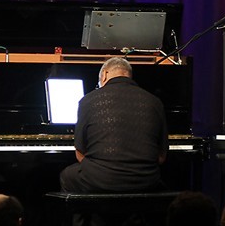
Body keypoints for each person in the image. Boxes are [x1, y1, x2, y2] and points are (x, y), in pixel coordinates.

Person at [60, 57, 168, 193]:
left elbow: (80, 153)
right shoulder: (155, 102)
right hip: (146, 180)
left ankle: (95, 208)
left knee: (67, 176)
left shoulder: (88, 100)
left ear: (104, 74)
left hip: (101, 180)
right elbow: (161, 157)